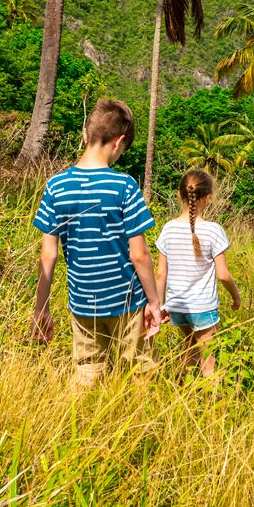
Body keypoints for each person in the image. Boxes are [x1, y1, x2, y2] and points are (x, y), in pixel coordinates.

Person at [30, 98, 162, 388]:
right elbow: (139, 254)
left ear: (85, 134)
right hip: (127, 301)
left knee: (88, 372)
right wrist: (154, 301)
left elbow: (48, 255)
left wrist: (41, 308)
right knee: (140, 372)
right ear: (119, 142)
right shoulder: (125, 186)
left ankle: (83, 428)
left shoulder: (56, 186)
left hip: (83, 303)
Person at [154, 170, 238, 379]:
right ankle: (209, 406)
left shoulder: (168, 229)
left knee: (189, 352)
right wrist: (236, 297)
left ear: (179, 194)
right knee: (209, 363)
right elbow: (223, 275)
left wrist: (160, 306)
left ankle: (185, 396)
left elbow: (160, 273)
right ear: (207, 198)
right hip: (202, 307)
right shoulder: (213, 230)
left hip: (177, 307)